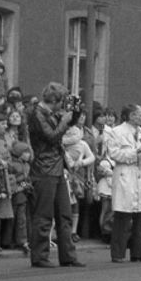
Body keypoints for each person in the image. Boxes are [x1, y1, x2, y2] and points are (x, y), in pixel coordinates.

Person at [26, 82, 85, 268]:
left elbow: (69, 122)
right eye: (62, 102)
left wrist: (75, 112)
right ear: (55, 100)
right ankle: (40, 256)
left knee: (64, 213)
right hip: (43, 168)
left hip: (57, 167)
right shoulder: (36, 114)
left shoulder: (51, 113)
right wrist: (65, 121)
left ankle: (68, 255)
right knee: (43, 215)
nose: (62, 107)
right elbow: (51, 136)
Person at [104, 104, 141, 262]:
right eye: (140, 115)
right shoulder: (117, 132)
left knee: (140, 215)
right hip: (125, 173)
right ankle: (118, 253)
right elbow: (114, 154)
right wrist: (136, 153)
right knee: (123, 215)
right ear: (131, 115)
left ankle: (138, 252)